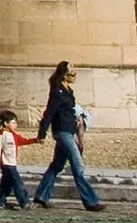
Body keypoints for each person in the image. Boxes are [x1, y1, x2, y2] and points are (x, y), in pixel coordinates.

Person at [32, 62, 104, 211]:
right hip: (62, 132)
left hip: (69, 131)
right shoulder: (57, 92)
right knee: (78, 166)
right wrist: (42, 133)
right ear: (65, 75)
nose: (75, 77)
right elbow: (49, 113)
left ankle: (41, 196)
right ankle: (90, 201)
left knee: (56, 166)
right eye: (72, 74)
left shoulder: (68, 91)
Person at [0, 108, 37, 209]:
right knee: (17, 183)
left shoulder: (13, 135)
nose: (16, 125)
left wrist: (35, 140)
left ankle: (0, 202)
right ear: (6, 123)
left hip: (12, 162)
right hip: (7, 164)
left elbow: (22, 141)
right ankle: (24, 202)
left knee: (6, 184)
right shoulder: (2, 134)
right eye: (13, 123)